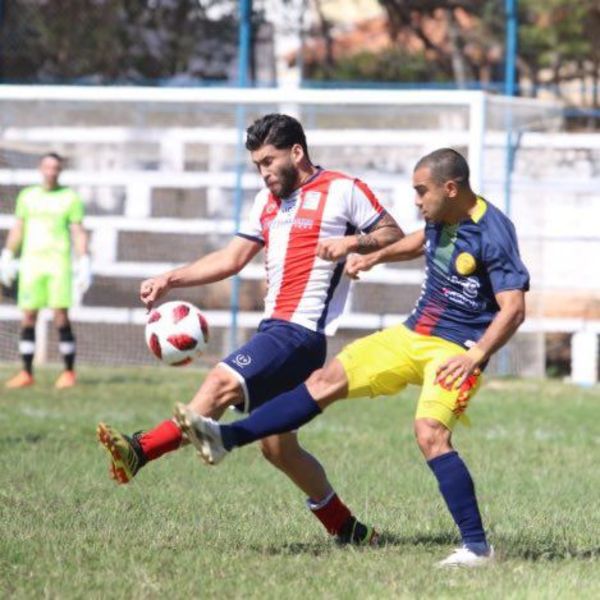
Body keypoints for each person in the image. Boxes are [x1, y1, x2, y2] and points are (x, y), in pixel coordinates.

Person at [176, 148, 530, 567]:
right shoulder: (441, 216)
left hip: (458, 350)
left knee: (429, 432)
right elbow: (422, 239)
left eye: (421, 192)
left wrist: (476, 357)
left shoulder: (493, 231)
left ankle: (476, 548)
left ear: (450, 189)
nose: (416, 201)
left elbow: (514, 308)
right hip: (411, 333)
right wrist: (377, 255)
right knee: (325, 379)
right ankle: (226, 438)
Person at [97, 113, 404, 545]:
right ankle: (350, 531)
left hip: (298, 334)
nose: (263, 172)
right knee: (278, 448)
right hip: (276, 328)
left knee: (221, 381)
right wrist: (171, 279)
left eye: (268, 161)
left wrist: (353, 243)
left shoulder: (342, 190)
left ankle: (138, 451)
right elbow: (231, 258)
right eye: (257, 164)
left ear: (296, 152)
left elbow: (394, 232)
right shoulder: (266, 203)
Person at [1, 152, 92, 389]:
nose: (51, 172)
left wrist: (84, 260)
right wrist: (8, 254)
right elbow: (18, 228)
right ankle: (26, 372)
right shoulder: (27, 196)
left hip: (58, 265)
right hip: (32, 264)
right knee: (28, 316)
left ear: (60, 171)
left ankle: (69, 372)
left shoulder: (70, 197)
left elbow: (78, 231)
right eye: (48, 167)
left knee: (61, 316)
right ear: (41, 168)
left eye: (56, 168)